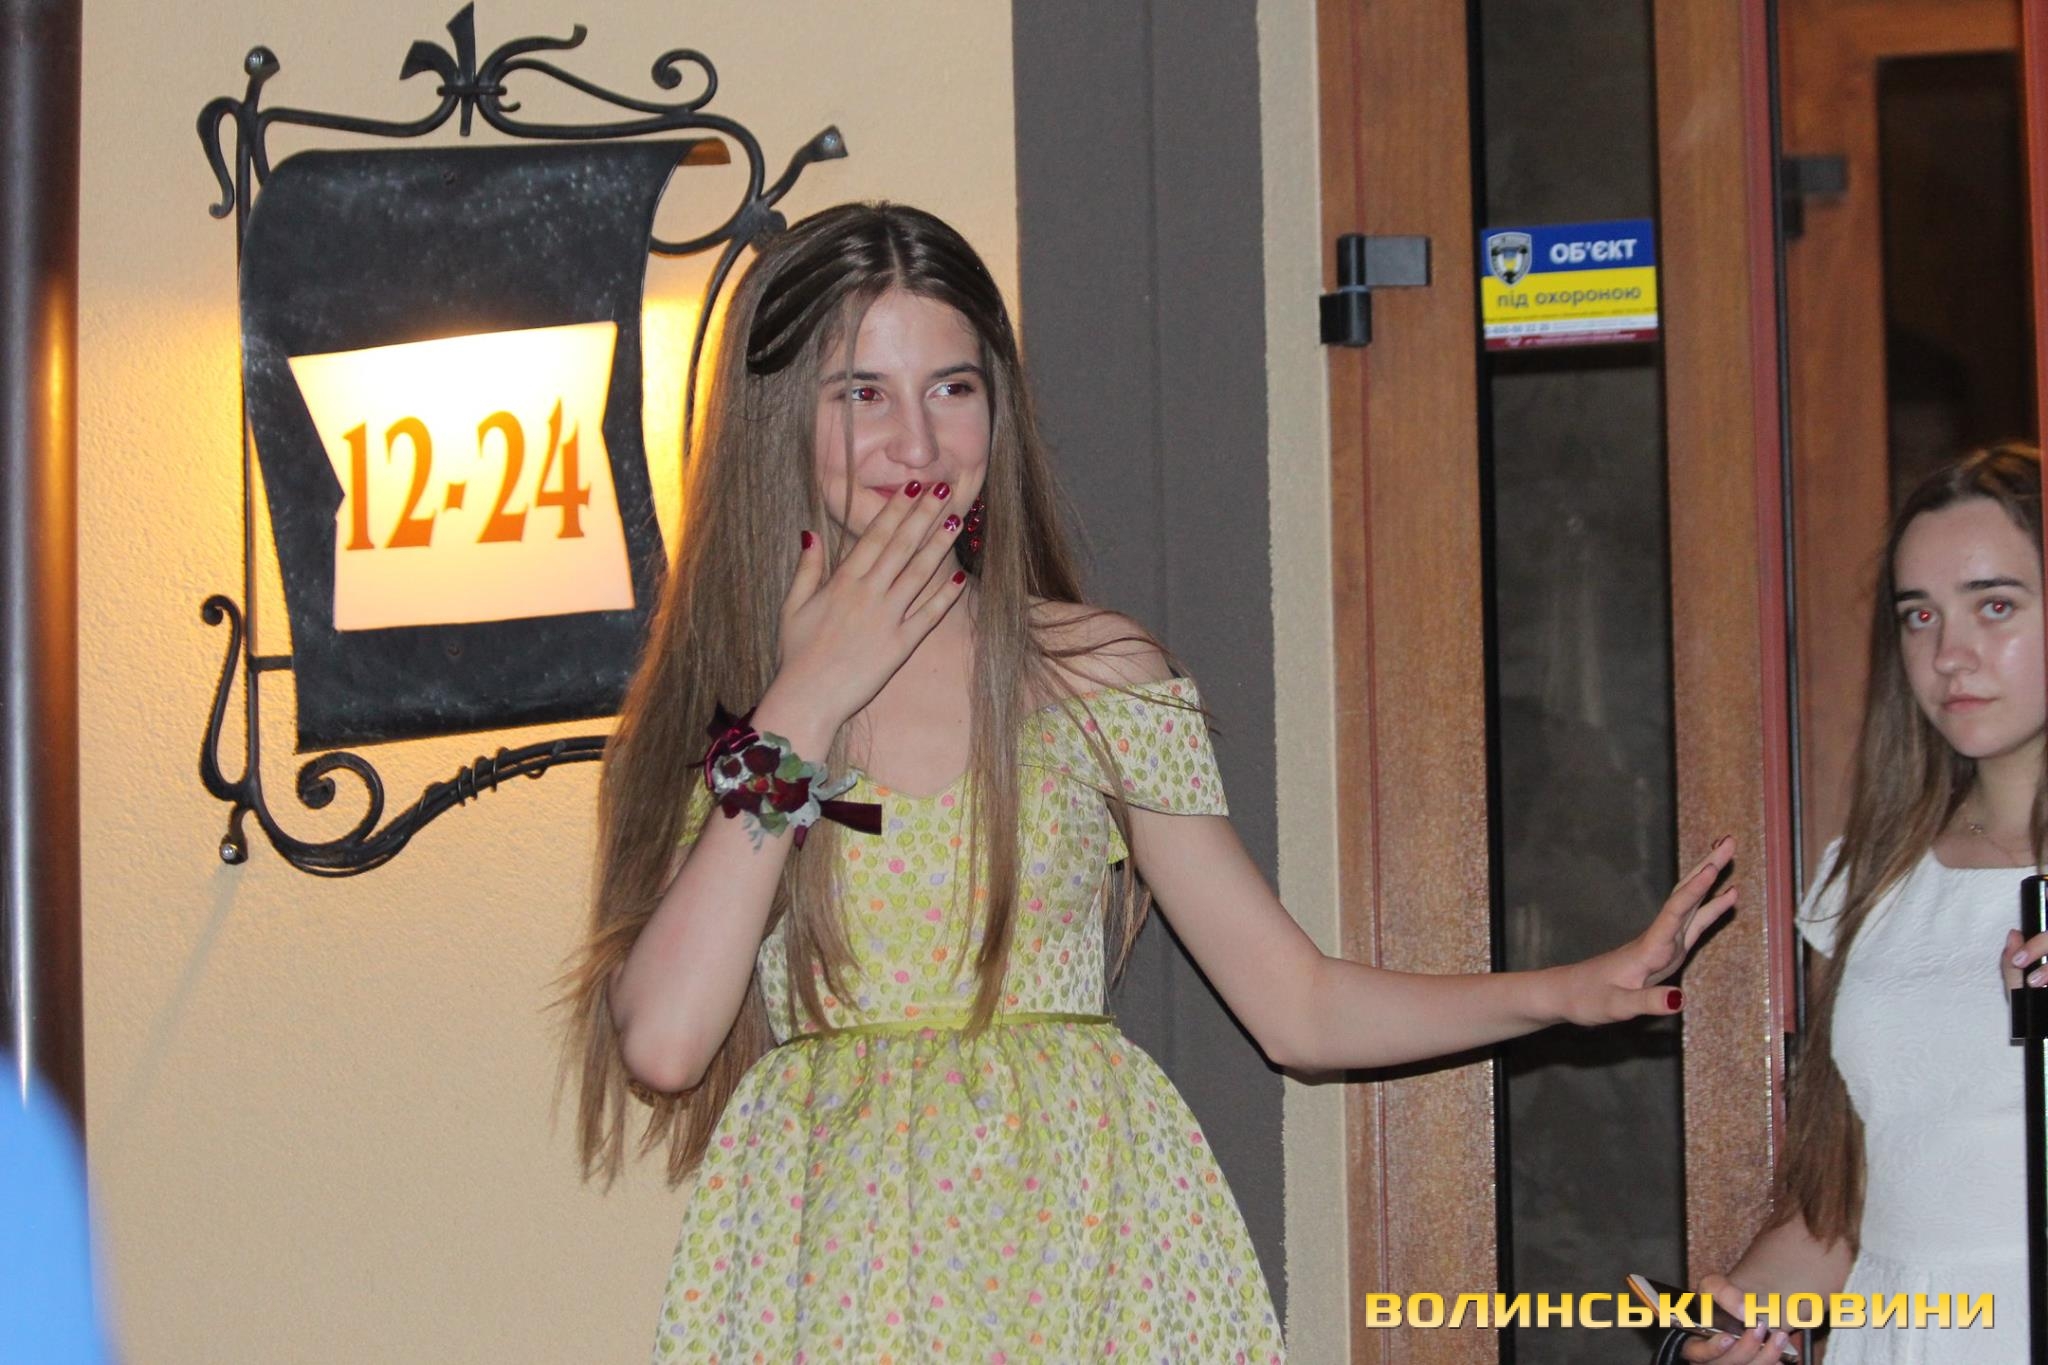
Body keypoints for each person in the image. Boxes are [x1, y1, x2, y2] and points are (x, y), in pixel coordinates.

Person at [560, 202, 1736, 1363]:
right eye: (860, 392)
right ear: (783, 420)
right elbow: (665, 1042)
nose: (915, 446)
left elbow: (1297, 1008)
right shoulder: (741, 704)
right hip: (837, 1283)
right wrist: (805, 700)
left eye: (951, 388)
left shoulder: (1097, 674)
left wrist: (1566, 992)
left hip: (1084, 1255)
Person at [1680, 443, 2045, 1364]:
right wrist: (1719, 1331)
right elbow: (1841, 1204)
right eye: (1919, 615)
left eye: (1995, 605)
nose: (1949, 654)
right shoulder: (1873, 880)